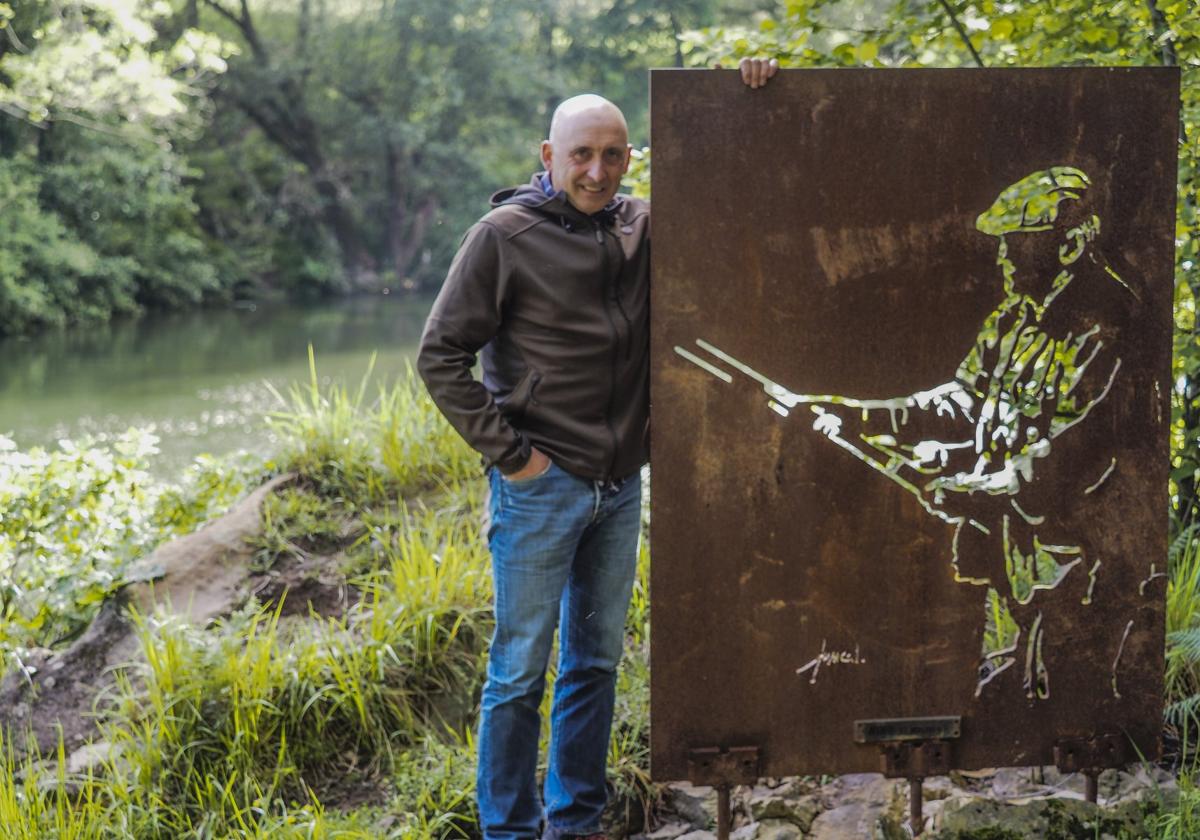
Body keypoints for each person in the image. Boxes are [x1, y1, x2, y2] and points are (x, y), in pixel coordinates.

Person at [417, 57, 778, 840]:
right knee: (517, 674)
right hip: (541, 485)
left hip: (620, 489)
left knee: (595, 665)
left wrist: (749, 97)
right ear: (547, 157)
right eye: (581, 153)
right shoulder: (502, 236)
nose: (598, 169)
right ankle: (509, 830)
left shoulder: (644, 223)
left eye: (614, 154)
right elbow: (439, 356)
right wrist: (514, 456)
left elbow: (738, 193)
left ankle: (574, 822)